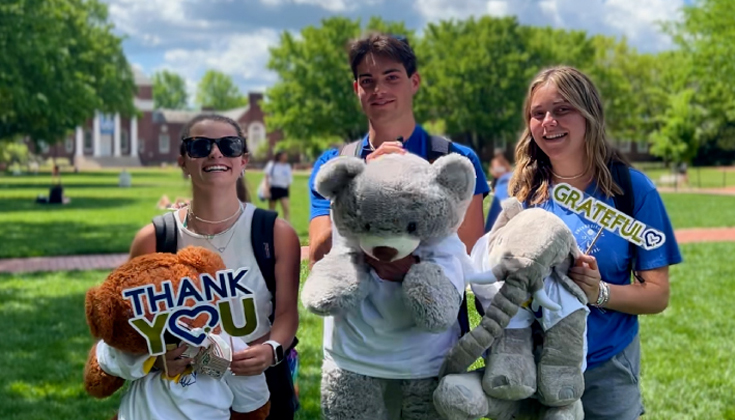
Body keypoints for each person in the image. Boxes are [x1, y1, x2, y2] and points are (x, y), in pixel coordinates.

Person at [505, 66, 682, 420]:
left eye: (562, 109)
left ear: (589, 115)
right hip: (533, 366)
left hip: (607, 369)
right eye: (538, 114)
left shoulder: (632, 191)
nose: (548, 121)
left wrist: (598, 291)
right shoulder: (518, 192)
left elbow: (657, 293)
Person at [105, 114, 301, 419]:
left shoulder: (275, 233)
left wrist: (271, 350)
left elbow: (287, 313)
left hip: (256, 388)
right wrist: (156, 360)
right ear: (183, 161)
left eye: (229, 145)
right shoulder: (155, 239)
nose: (215, 153)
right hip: (176, 398)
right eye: (199, 146)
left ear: (243, 160)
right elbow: (127, 323)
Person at [308, 32, 490, 274]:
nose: (378, 89)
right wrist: (363, 183)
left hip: (433, 308)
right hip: (360, 311)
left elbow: (466, 256)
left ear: (414, 82)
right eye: (367, 81)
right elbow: (318, 258)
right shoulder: (335, 166)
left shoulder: (455, 160)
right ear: (356, 89)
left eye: (391, 77)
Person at [261, 151, 293, 223]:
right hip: (274, 188)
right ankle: (270, 225)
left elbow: (289, 180)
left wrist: (288, 190)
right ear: (280, 156)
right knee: (272, 210)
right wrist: (266, 189)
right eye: (284, 155)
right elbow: (267, 177)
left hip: (283, 189)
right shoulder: (272, 165)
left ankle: (287, 226)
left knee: (286, 209)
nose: (286, 157)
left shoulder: (287, 166)